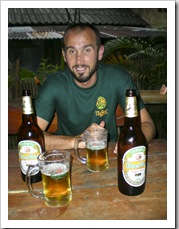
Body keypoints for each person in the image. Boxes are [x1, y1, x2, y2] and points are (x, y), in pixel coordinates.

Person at [35, 23, 156, 154]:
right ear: (64, 55)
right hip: (67, 157)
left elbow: (147, 124)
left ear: (100, 52)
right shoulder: (54, 84)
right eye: (72, 51)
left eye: (87, 50)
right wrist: (78, 141)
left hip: (109, 154)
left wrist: (134, 142)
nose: (79, 60)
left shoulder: (117, 77)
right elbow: (31, 136)